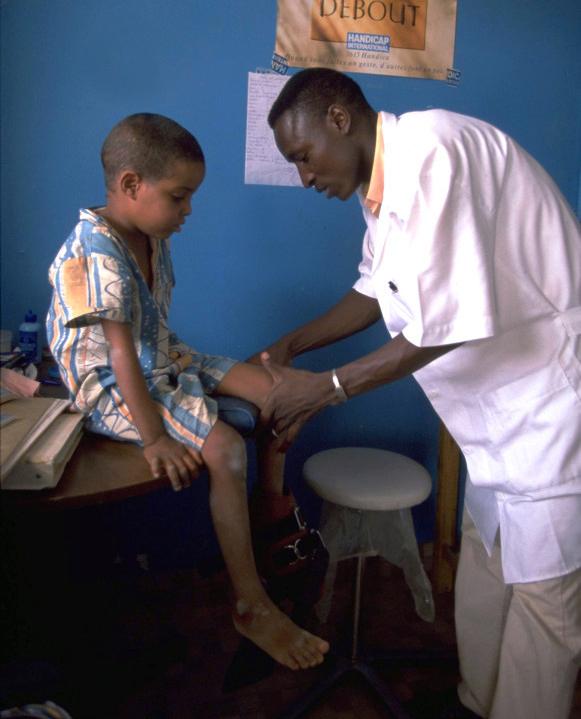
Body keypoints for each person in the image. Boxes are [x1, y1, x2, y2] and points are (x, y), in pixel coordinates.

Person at [249, 68, 581, 719]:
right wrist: (290, 347)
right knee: (488, 572)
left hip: (551, 411)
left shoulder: (432, 153)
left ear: (339, 120)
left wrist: (324, 390)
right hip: (497, 421)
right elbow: (375, 292)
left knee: (546, 608)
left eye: (303, 156)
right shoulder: (383, 193)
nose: (304, 177)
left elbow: (441, 326)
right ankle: (477, 704)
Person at [46, 113, 329, 672]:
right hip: (110, 384)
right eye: (180, 197)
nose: (188, 211)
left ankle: (271, 510)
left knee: (280, 389)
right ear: (131, 185)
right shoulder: (90, 253)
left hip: (160, 357)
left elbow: (152, 340)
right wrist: (154, 439)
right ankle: (250, 603)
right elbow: (120, 354)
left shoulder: (150, 233)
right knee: (224, 449)